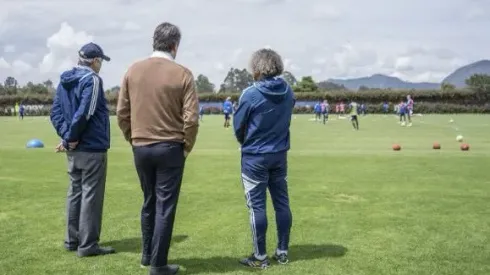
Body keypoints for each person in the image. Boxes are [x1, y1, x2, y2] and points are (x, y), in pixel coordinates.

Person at [116, 22, 199, 275]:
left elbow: (121, 112)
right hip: (170, 146)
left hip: (141, 146)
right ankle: (158, 264)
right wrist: (187, 146)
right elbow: (192, 119)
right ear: (175, 45)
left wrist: (133, 138)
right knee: (165, 205)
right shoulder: (183, 73)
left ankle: (146, 255)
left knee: (149, 201)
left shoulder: (133, 70)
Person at [50, 42, 115, 257]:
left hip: (74, 149)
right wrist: (73, 138)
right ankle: (88, 245)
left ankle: (72, 240)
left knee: (75, 193)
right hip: (91, 148)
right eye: (100, 62)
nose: (101, 66)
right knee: (91, 196)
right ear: (95, 61)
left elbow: (56, 113)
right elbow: (85, 112)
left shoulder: (64, 80)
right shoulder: (93, 80)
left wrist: (68, 139)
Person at [233, 48, 295, 269]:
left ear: (257, 68)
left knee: (257, 207)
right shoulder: (288, 91)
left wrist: (246, 142)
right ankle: (283, 251)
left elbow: (238, 127)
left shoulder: (250, 94)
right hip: (279, 155)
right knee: (282, 203)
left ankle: (260, 257)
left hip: (255, 157)